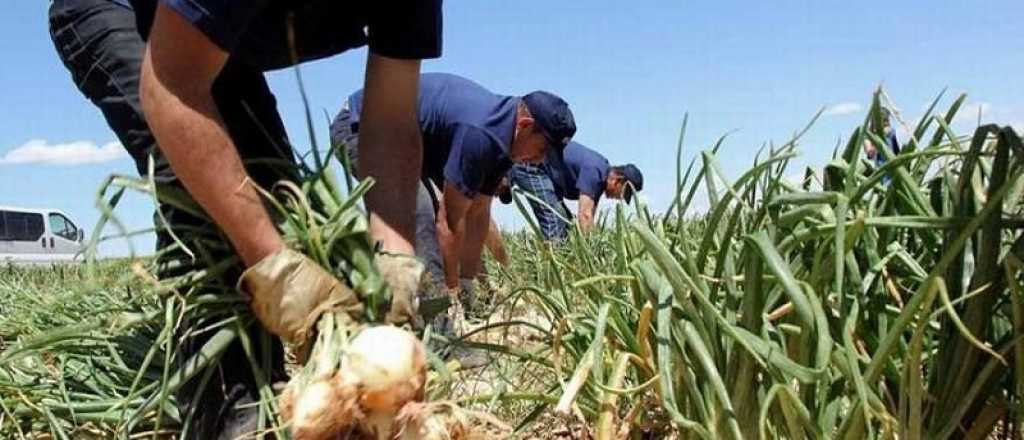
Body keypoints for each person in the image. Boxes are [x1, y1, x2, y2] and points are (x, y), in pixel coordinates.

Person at [52, 0, 442, 437]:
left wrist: (395, 256)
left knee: (274, 193)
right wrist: (275, 265)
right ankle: (226, 414)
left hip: (215, 44)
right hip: (123, 11)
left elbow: (390, 121)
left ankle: (280, 388)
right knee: (207, 208)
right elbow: (173, 84)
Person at [331, 72, 576, 337]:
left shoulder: (506, 144)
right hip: (363, 125)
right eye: (542, 150)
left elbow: (478, 214)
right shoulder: (481, 132)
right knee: (420, 213)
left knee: (440, 211)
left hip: (411, 143)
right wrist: (452, 292)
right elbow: (448, 223)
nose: (540, 160)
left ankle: (427, 309)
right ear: (526, 125)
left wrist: (467, 283)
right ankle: (437, 331)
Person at [505, 142, 643, 241]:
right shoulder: (595, 172)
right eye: (624, 193)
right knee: (555, 219)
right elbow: (584, 215)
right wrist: (591, 257)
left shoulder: (600, 179)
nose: (619, 198)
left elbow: (589, 220)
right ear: (617, 181)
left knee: (567, 224)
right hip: (531, 166)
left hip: (546, 174)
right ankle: (552, 275)